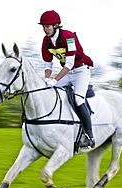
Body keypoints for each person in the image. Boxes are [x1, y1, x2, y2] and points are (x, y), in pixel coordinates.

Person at [39, 10, 95, 148]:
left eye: (48, 26)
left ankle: (89, 135)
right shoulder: (46, 41)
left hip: (80, 71)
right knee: (51, 93)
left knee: (78, 99)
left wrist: (55, 80)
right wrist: (47, 79)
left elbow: (69, 64)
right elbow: (48, 64)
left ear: (56, 25)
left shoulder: (68, 37)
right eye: (44, 26)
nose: (45, 29)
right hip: (67, 73)